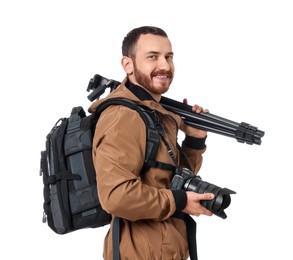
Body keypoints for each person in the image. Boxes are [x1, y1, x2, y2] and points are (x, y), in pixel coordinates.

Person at [89, 26, 215, 260]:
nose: (165, 66)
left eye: (169, 57)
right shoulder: (123, 115)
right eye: (152, 57)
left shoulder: (153, 113)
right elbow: (116, 195)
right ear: (128, 65)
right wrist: (179, 202)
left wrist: (195, 141)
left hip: (166, 249)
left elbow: (169, 179)